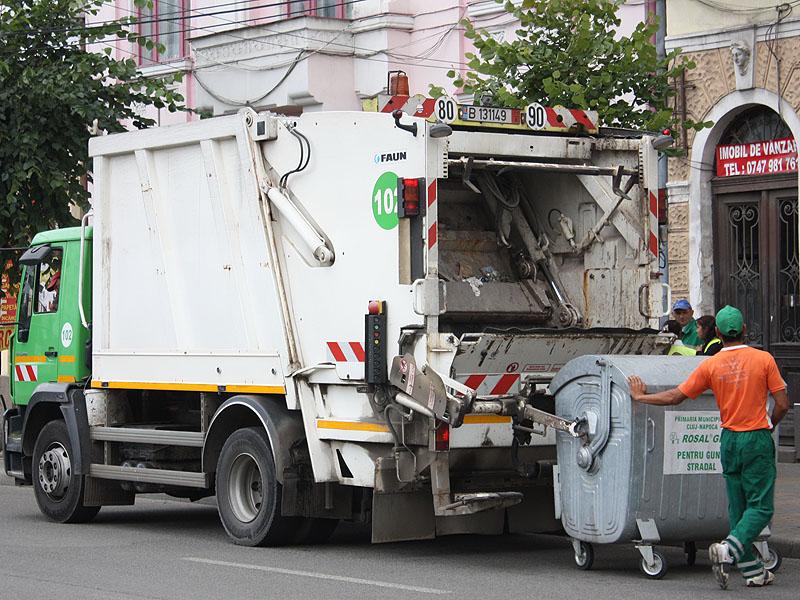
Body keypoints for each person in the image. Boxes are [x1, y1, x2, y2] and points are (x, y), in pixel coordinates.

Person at [627, 305, 790, 589]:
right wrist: (770, 424)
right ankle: (729, 550)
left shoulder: (711, 365)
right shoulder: (763, 359)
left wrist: (641, 397)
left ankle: (752, 571)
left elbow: (675, 397)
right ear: (744, 331)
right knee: (761, 508)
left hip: (728, 440)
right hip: (756, 438)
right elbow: (783, 404)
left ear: (717, 333)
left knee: (738, 508)